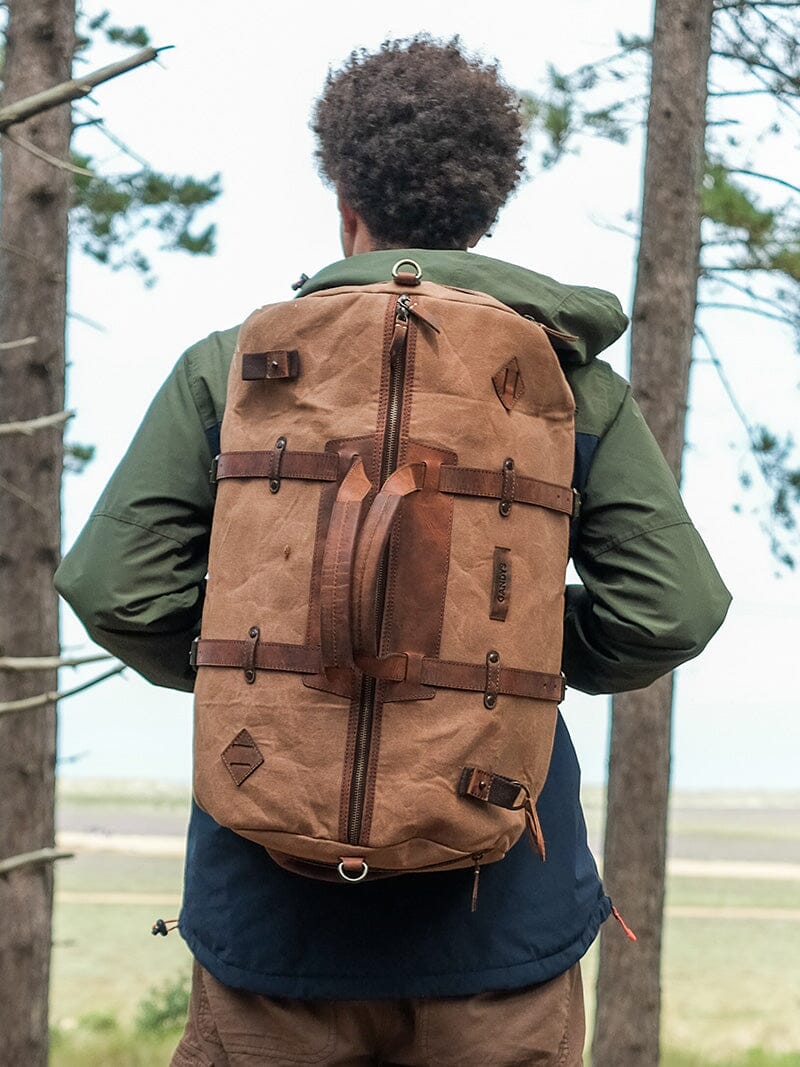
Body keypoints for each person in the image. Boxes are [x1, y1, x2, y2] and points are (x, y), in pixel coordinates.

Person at [55, 35, 731, 1067]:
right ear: (482, 211)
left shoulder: (231, 370)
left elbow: (114, 587)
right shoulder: (563, 382)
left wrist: (260, 653)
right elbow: (670, 607)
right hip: (498, 917)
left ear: (344, 200)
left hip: (269, 924)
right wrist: (515, 658)